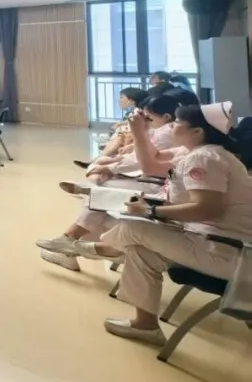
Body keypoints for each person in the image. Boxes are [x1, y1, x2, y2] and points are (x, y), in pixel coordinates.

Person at [62, 102, 252, 345]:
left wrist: (152, 212)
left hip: (232, 254)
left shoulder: (205, 158)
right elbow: (154, 165)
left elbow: (208, 208)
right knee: (140, 250)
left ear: (197, 132)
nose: (172, 126)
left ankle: (99, 249)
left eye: (178, 123)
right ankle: (146, 325)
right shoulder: (202, 153)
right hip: (211, 242)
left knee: (134, 227)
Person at [36, 96, 184, 271]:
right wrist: (118, 157)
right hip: (154, 182)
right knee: (98, 197)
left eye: (180, 121)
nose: (175, 125)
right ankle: (69, 244)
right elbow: (146, 156)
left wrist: (111, 165)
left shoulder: (172, 136)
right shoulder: (172, 136)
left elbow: (147, 163)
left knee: (100, 194)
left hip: (156, 186)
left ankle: (69, 241)